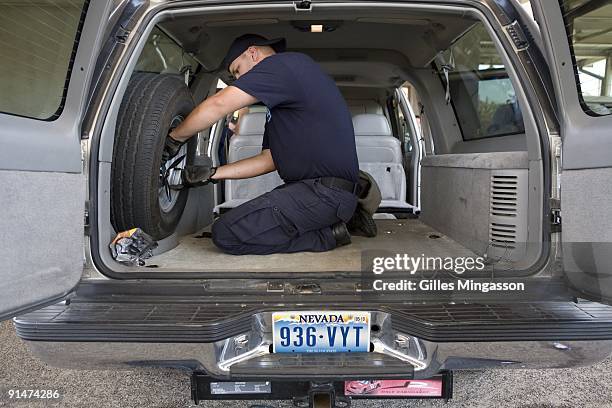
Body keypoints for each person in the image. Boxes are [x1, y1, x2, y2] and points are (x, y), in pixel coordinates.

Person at [162, 34, 361, 255]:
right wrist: (211, 173)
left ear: (253, 53)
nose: (237, 79)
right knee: (238, 225)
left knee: (225, 234)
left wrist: (174, 138)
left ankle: (328, 236)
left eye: (237, 70)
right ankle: (333, 222)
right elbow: (268, 160)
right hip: (316, 194)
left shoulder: (282, 65)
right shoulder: (278, 107)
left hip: (324, 194)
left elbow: (218, 104)